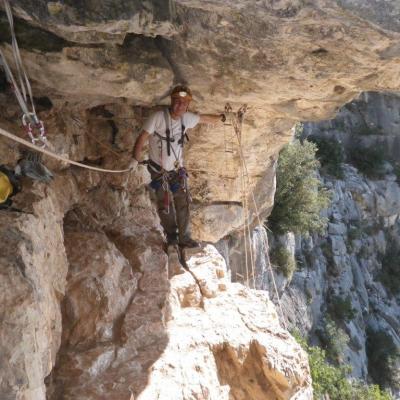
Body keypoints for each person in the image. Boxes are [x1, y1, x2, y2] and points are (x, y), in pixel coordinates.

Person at [130, 85, 224, 248]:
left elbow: (205, 119)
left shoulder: (186, 118)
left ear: (187, 106)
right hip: (159, 171)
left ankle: (185, 237)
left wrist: (224, 118)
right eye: (177, 101)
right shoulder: (157, 117)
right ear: (171, 101)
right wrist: (135, 159)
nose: (180, 105)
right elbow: (142, 138)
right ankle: (172, 236)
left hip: (177, 171)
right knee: (164, 204)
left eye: (183, 103)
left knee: (183, 202)